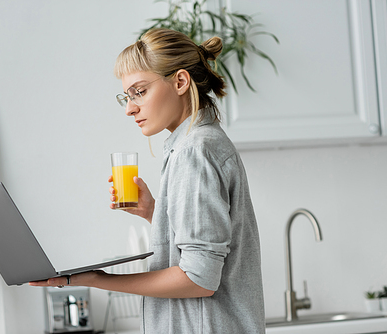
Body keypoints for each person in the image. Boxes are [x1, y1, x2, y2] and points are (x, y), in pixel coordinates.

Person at [30, 28, 265, 334]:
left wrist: (98, 279)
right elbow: (209, 244)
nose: (130, 109)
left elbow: (199, 278)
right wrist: (155, 213)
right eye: (126, 97)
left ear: (180, 82)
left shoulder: (195, 150)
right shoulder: (196, 144)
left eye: (139, 91)